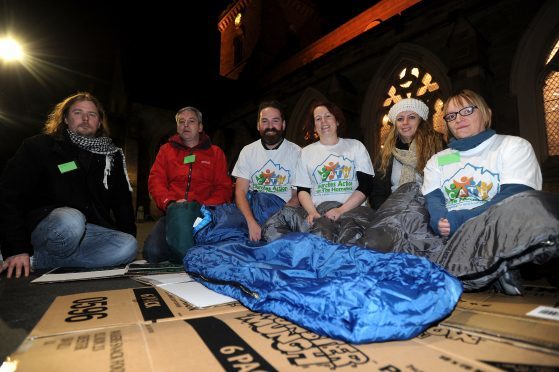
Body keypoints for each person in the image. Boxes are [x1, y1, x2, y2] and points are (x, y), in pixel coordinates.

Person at [0, 92, 138, 278]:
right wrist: (16, 247)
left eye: (92, 114)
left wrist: (128, 236)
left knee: (127, 246)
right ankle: (23, 254)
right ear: (65, 118)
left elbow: (122, 203)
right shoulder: (40, 147)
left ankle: (36, 262)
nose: (85, 118)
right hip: (46, 227)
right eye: (78, 112)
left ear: (99, 122)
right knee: (71, 219)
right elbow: (9, 194)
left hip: (89, 230)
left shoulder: (111, 156)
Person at [422, 89, 542, 237]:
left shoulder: (512, 146)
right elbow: (433, 199)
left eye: (467, 110)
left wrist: (462, 221)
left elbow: (516, 196)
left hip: (501, 237)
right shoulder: (440, 159)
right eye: (451, 116)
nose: (458, 119)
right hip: (447, 240)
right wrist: (440, 221)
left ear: (487, 113)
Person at [144, 106, 232, 262]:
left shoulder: (216, 153)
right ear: (177, 127)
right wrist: (170, 202)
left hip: (204, 215)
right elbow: (156, 179)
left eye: (191, 121)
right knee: (152, 252)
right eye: (181, 122)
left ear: (200, 127)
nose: (185, 125)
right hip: (173, 212)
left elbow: (224, 187)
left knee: (219, 252)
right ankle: (184, 253)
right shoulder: (166, 150)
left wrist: (203, 206)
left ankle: (189, 252)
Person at [296, 101, 375, 225]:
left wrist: (341, 210)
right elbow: (302, 189)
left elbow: (366, 185)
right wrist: (312, 212)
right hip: (320, 213)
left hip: (354, 212)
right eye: (318, 119)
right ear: (315, 126)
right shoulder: (305, 153)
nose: (323, 122)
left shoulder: (356, 146)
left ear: (337, 121)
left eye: (328, 116)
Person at [232, 100, 301, 241]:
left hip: (283, 211)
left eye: (275, 121)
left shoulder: (297, 152)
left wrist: (277, 221)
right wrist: (251, 223)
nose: (270, 126)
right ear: (258, 125)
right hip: (252, 213)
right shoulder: (247, 151)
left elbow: (297, 195)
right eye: (265, 121)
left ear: (283, 124)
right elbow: (240, 192)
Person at [369, 98, 445, 209]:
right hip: (393, 211)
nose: (405, 122)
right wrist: (384, 213)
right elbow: (377, 191)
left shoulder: (437, 145)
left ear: (421, 120)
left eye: (411, 117)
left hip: (430, 208)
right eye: (400, 119)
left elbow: (451, 169)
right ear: (396, 124)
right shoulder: (386, 153)